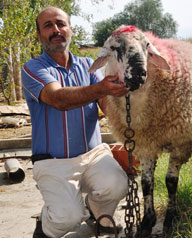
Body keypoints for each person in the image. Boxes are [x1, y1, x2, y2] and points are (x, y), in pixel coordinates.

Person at [21, 6, 129, 238]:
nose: (56, 30)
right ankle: (45, 224)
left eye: (61, 24)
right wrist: (101, 88)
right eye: (48, 26)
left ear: (70, 30)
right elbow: (58, 99)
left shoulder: (88, 65)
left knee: (118, 183)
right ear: (39, 36)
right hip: (52, 162)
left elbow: (106, 103)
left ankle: (99, 216)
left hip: (93, 155)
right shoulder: (33, 68)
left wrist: (131, 121)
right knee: (67, 217)